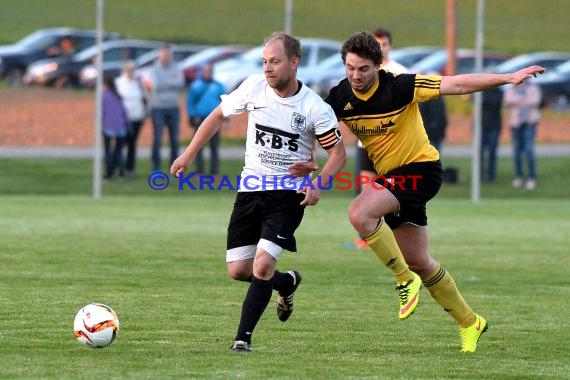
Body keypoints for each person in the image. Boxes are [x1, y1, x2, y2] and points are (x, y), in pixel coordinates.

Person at [292, 32, 544, 352]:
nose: (356, 75)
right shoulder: (339, 98)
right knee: (420, 262)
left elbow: (458, 84)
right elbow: (316, 130)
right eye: (350, 68)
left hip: (421, 171)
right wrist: (308, 158)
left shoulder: (400, 86)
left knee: (359, 212)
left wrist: (510, 77)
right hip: (395, 181)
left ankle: (402, 278)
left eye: (364, 69)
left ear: (378, 66)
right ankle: (470, 322)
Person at [170, 32, 346, 353]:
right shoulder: (254, 87)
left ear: (294, 62)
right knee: (239, 270)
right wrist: (188, 154)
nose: (268, 67)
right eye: (264, 61)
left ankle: (242, 339)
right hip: (250, 190)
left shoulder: (313, 107)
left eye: (275, 61)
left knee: (262, 265)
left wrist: (318, 184)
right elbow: (218, 116)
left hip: (287, 196)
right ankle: (286, 282)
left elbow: (338, 153)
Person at [353, 27, 409, 249]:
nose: (380, 48)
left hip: (391, 144)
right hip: (366, 141)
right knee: (367, 187)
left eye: (384, 44)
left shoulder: (399, 71)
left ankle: (395, 235)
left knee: (391, 190)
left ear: (390, 46)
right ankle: (365, 237)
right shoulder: (362, 72)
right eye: (376, 44)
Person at [146, 44, 185, 172]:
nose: (166, 57)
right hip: (158, 107)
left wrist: (165, 81)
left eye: (168, 55)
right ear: (159, 55)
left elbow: (180, 83)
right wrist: (170, 81)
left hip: (173, 107)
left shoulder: (177, 68)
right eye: (164, 55)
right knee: (157, 138)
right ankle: (155, 166)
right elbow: (156, 85)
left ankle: (174, 167)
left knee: (174, 139)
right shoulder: (154, 69)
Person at [186, 63, 226, 177]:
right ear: (202, 72)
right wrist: (193, 115)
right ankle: (199, 172)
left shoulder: (219, 86)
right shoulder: (195, 86)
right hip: (200, 119)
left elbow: (225, 102)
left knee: (214, 146)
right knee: (198, 146)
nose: (207, 73)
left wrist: (226, 119)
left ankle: (214, 172)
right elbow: (190, 103)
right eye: (205, 71)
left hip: (215, 120)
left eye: (209, 71)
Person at [503, 80, 542, 190]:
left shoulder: (533, 88)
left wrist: (517, 101)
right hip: (516, 123)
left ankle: (532, 177)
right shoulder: (511, 89)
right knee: (517, 151)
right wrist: (524, 100)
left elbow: (535, 101)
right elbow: (507, 101)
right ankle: (519, 176)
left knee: (529, 149)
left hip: (530, 122)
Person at [115, 60, 148, 177]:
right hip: (122, 119)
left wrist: (144, 114)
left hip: (136, 118)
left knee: (132, 144)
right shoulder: (118, 83)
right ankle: (118, 168)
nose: (130, 72)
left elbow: (144, 99)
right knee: (120, 143)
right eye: (128, 70)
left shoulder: (138, 83)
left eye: (132, 70)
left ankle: (130, 168)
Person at [102, 76, 130, 180]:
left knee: (108, 151)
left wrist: (100, 126)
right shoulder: (118, 95)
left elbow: (101, 113)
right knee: (118, 151)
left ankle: (109, 173)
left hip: (108, 127)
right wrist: (128, 126)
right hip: (121, 127)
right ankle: (121, 173)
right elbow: (124, 112)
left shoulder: (104, 96)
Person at [480, 87, 504, 183]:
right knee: (480, 153)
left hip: (494, 126)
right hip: (482, 126)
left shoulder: (498, 92)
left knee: (492, 153)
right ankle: (480, 175)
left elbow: (494, 103)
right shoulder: (481, 91)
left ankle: (491, 176)